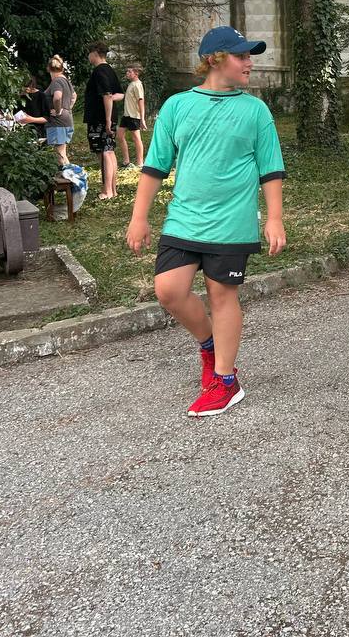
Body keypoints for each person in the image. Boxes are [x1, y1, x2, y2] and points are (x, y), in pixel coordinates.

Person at [126, 26, 286, 418]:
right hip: (184, 219)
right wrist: (139, 217)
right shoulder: (178, 106)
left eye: (250, 56)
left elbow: (271, 169)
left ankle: (226, 382)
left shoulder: (256, 111)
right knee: (169, 291)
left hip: (232, 223)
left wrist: (275, 218)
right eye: (241, 56)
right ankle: (211, 347)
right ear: (215, 59)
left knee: (221, 295)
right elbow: (155, 166)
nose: (250, 63)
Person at [84, 42, 125, 199]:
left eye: (89, 53)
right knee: (110, 151)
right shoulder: (109, 70)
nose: (88, 56)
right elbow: (119, 94)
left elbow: (107, 94)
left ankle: (107, 191)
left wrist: (107, 120)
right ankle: (112, 190)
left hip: (100, 119)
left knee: (104, 153)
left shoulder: (99, 71)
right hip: (109, 117)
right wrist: (110, 101)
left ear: (95, 53)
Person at [43, 56, 75, 166]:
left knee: (59, 154)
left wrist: (58, 111)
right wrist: (67, 108)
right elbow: (74, 96)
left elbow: (57, 97)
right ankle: (69, 175)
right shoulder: (66, 81)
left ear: (48, 68)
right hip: (66, 119)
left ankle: (68, 175)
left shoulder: (56, 81)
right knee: (62, 153)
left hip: (58, 122)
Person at [118, 63, 147, 169]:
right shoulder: (131, 84)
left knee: (136, 138)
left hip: (134, 116)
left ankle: (140, 163)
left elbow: (141, 101)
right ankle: (126, 161)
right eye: (127, 71)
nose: (127, 73)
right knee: (120, 135)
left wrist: (142, 119)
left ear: (136, 73)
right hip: (126, 115)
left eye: (130, 71)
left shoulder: (137, 85)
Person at [14, 73, 49, 141]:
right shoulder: (20, 97)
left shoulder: (41, 96)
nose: (26, 89)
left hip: (37, 132)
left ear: (32, 85)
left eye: (27, 86)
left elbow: (47, 118)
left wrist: (31, 119)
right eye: (24, 87)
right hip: (20, 133)